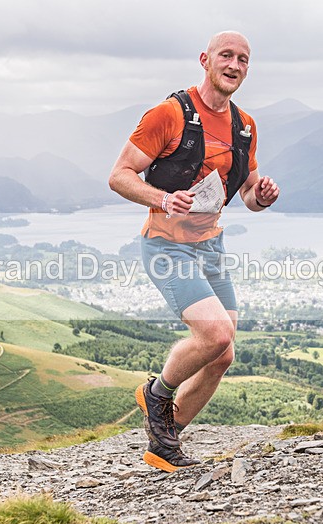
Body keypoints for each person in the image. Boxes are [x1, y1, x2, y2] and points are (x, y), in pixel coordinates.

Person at [108, 30, 280, 472]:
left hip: (211, 249)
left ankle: (164, 440)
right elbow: (120, 175)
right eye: (227, 55)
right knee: (216, 334)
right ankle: (157, 394)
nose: (235, 64)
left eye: (244, 58)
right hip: (166, 246)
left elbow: (247, 195)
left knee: (222, 355)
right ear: (205, 60)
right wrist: (162, 198)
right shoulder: (169, 114)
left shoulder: (245, 126)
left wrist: (263, 194)